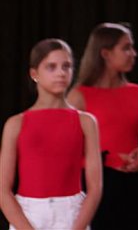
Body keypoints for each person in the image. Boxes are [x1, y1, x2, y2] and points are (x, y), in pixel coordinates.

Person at [0, 39, 102, 230]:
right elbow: (3, 190)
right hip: (28, 215)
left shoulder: (86, 122)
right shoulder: (15, 124)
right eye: (51, 67)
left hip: (72, 214)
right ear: (34, 74)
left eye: (66, 66)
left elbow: (95, 187)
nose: (61, 73)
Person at [69, 23, 138, 230]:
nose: (133, 53)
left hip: (134, 185)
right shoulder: (79, 97)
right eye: (126, 48)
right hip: (96, 187)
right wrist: (109, 160)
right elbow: (68, 154)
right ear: (106, 53)